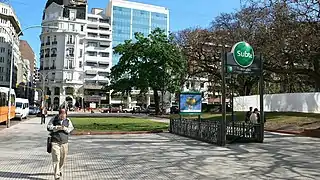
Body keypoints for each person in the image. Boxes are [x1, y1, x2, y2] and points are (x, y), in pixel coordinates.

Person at [47, 109, 74, 180]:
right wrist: (56, 128)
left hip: (64, 143)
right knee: (56, 157)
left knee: (63, 158)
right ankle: (57, 175)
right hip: (55, 142)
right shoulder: (54, 119)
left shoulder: (68, 120)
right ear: (59, 114)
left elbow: (71, 129)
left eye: (64, 115)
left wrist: (65, 128)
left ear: (66, 115)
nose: (63, 116)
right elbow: (48, 127)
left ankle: (59, 169)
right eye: (61, 114)